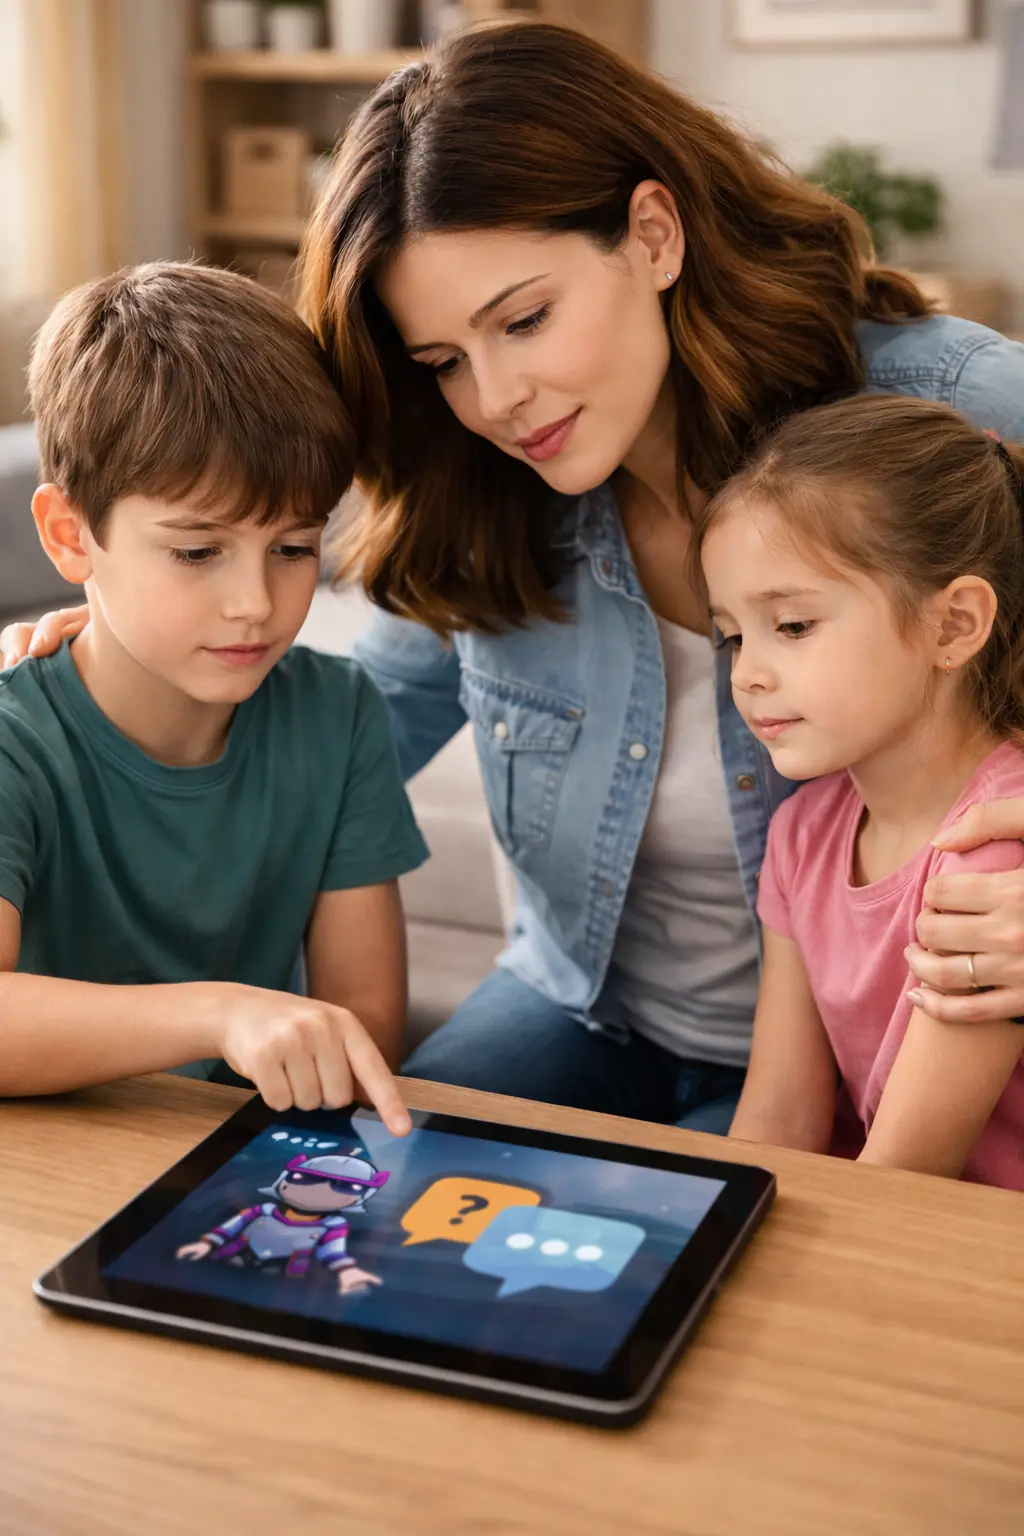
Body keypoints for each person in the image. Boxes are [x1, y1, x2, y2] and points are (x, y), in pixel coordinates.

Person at [10, 23, 1024, 1129]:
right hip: (580, 1009)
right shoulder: (484, 493)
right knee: (365, 1197)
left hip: (845, 1049)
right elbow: (301, 729)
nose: (495, 401)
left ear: (651, 235)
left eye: (525, 320)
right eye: (442, 362)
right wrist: (113, 644)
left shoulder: (947, 410)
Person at [0, 261, 426, 1133]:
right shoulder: (16, 737)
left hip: (229, 1157)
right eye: (197, 552)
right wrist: (221, 1013)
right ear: (70, 537)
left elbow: (368, 1021)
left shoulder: (336, 713)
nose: (255, 605)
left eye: (294, 548)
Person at [697, 395, 1024, 1188]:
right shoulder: (802, 833)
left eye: (794, 626)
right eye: (734, 635)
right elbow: (779, 1116)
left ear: (953, 626)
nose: (748, 673)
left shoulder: (995, 854)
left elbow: (907, 1173)